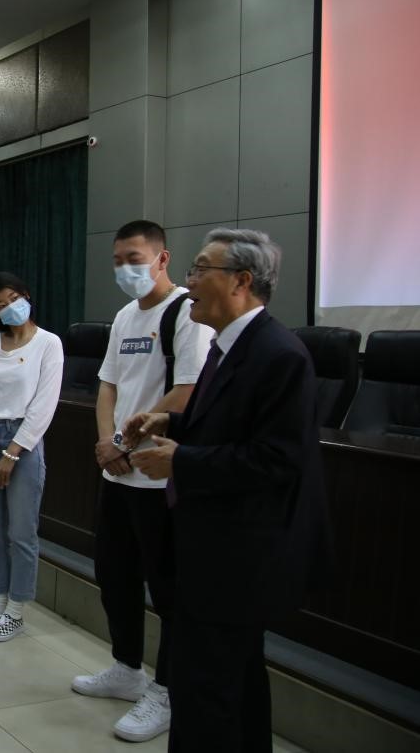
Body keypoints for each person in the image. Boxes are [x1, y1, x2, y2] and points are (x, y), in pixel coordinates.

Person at [126, 228, 327, 753]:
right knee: (230, 685)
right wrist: (171, 423)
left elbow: (276, 460)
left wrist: (181, 459)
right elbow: (226, 428)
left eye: (199, 269)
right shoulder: (227, 346)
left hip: (240, 555)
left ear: (240, 281)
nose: (189, 282)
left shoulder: (279, 355)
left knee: (210, 689)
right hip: (210, 544)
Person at [71, 220, 212, 743]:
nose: (125, 269)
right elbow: (107, 385)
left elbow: (188, 391)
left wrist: (126, 446)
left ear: (162, 258)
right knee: (115, 573)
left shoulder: (187, 313)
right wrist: (107, 443)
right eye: (117, 261)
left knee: (168, 587)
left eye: (134, 258)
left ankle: (168, 690)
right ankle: (127, 667)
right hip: (119, 473)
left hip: (159, 474)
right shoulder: (126, 315)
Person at [0, 272, 63, 642]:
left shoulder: (49, 343)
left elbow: (43, 407)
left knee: (21, 532)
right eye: (0, 304)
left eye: (13, 299)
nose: (8, 308)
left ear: (26, 295)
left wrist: (11, 455)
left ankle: (16, 611)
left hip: (23, 443)